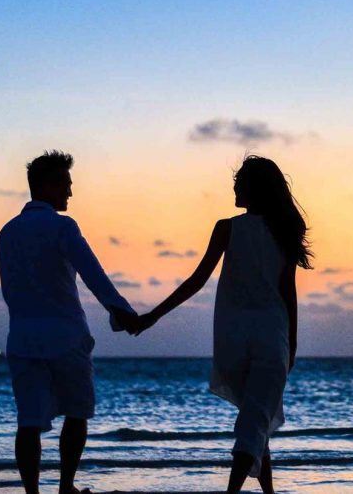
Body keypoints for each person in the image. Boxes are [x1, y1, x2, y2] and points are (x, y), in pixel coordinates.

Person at [132, 155, 312, 494]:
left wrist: (151, 317)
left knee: (255, 418)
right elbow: (287, 291)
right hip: (272, 336)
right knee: (255, 420)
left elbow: (196, 281)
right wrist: (294, 342)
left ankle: (268, 492)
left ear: (251, 189)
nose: (234, 188)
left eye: (238, 183)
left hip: (232, 338)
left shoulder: (227, 228)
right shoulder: (283, 229)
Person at [0, 150, 139, 494]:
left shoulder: (7, 232)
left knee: (28, 421)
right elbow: (93, 273)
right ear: (47, 185)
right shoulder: (62, 226)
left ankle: (32, 493)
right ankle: (65, 487)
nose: (71, 193)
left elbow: (9, 287)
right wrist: (121, 310)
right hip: (65, 336)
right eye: (66, 184)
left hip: (23, 337)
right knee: (77, 413)